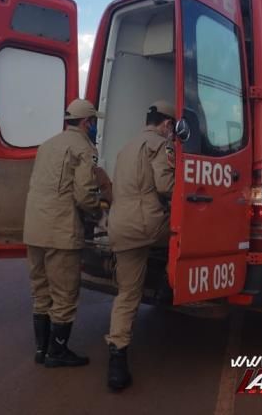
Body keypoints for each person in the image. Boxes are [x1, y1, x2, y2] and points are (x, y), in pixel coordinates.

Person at [23, 98, 110, 368]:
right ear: (87, 123)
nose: (95, 127)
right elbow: (84, 194)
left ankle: (41, 349)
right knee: (64, 294)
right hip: (60, 231)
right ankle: (57, 352)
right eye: (94, 122)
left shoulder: (47, 145)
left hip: (34, 229)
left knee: (41, 291)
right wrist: (99, 212)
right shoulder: (84, 148)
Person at [105, 100, 176, 390]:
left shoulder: (126, 147)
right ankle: (167, 286)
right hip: (148, 224)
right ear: (167, 125)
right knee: (190, 233)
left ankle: (117, 363)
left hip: (120, 226)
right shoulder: (161, 145)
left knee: (127, 294)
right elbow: (166, 186)